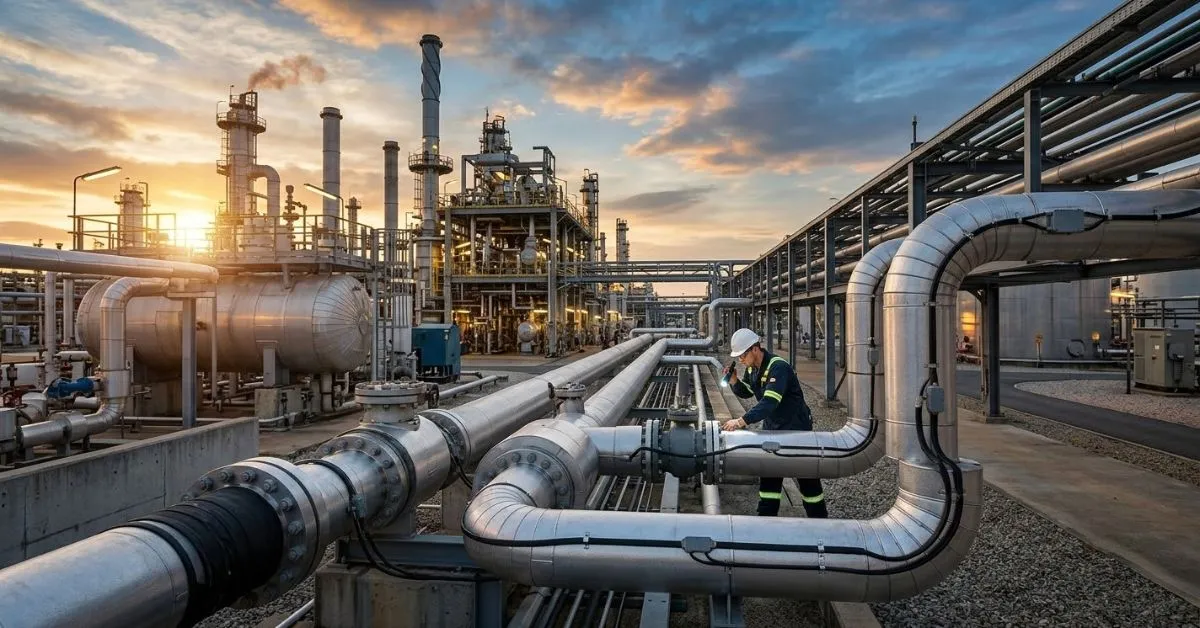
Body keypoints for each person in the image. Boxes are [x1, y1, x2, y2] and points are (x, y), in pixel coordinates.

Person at [721, 328, 828, 519]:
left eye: (742, 355)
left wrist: (740, 421)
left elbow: (769, 402)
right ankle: (766, 518)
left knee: (807, 480)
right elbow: (748, 391)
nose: (740, 360)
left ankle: (820, 521)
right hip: (773, 429)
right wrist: (735, 381)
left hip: (796, 430)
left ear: (755, 349)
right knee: (770, 475)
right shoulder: (753, 369)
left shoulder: (778, 367)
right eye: (738, 357)